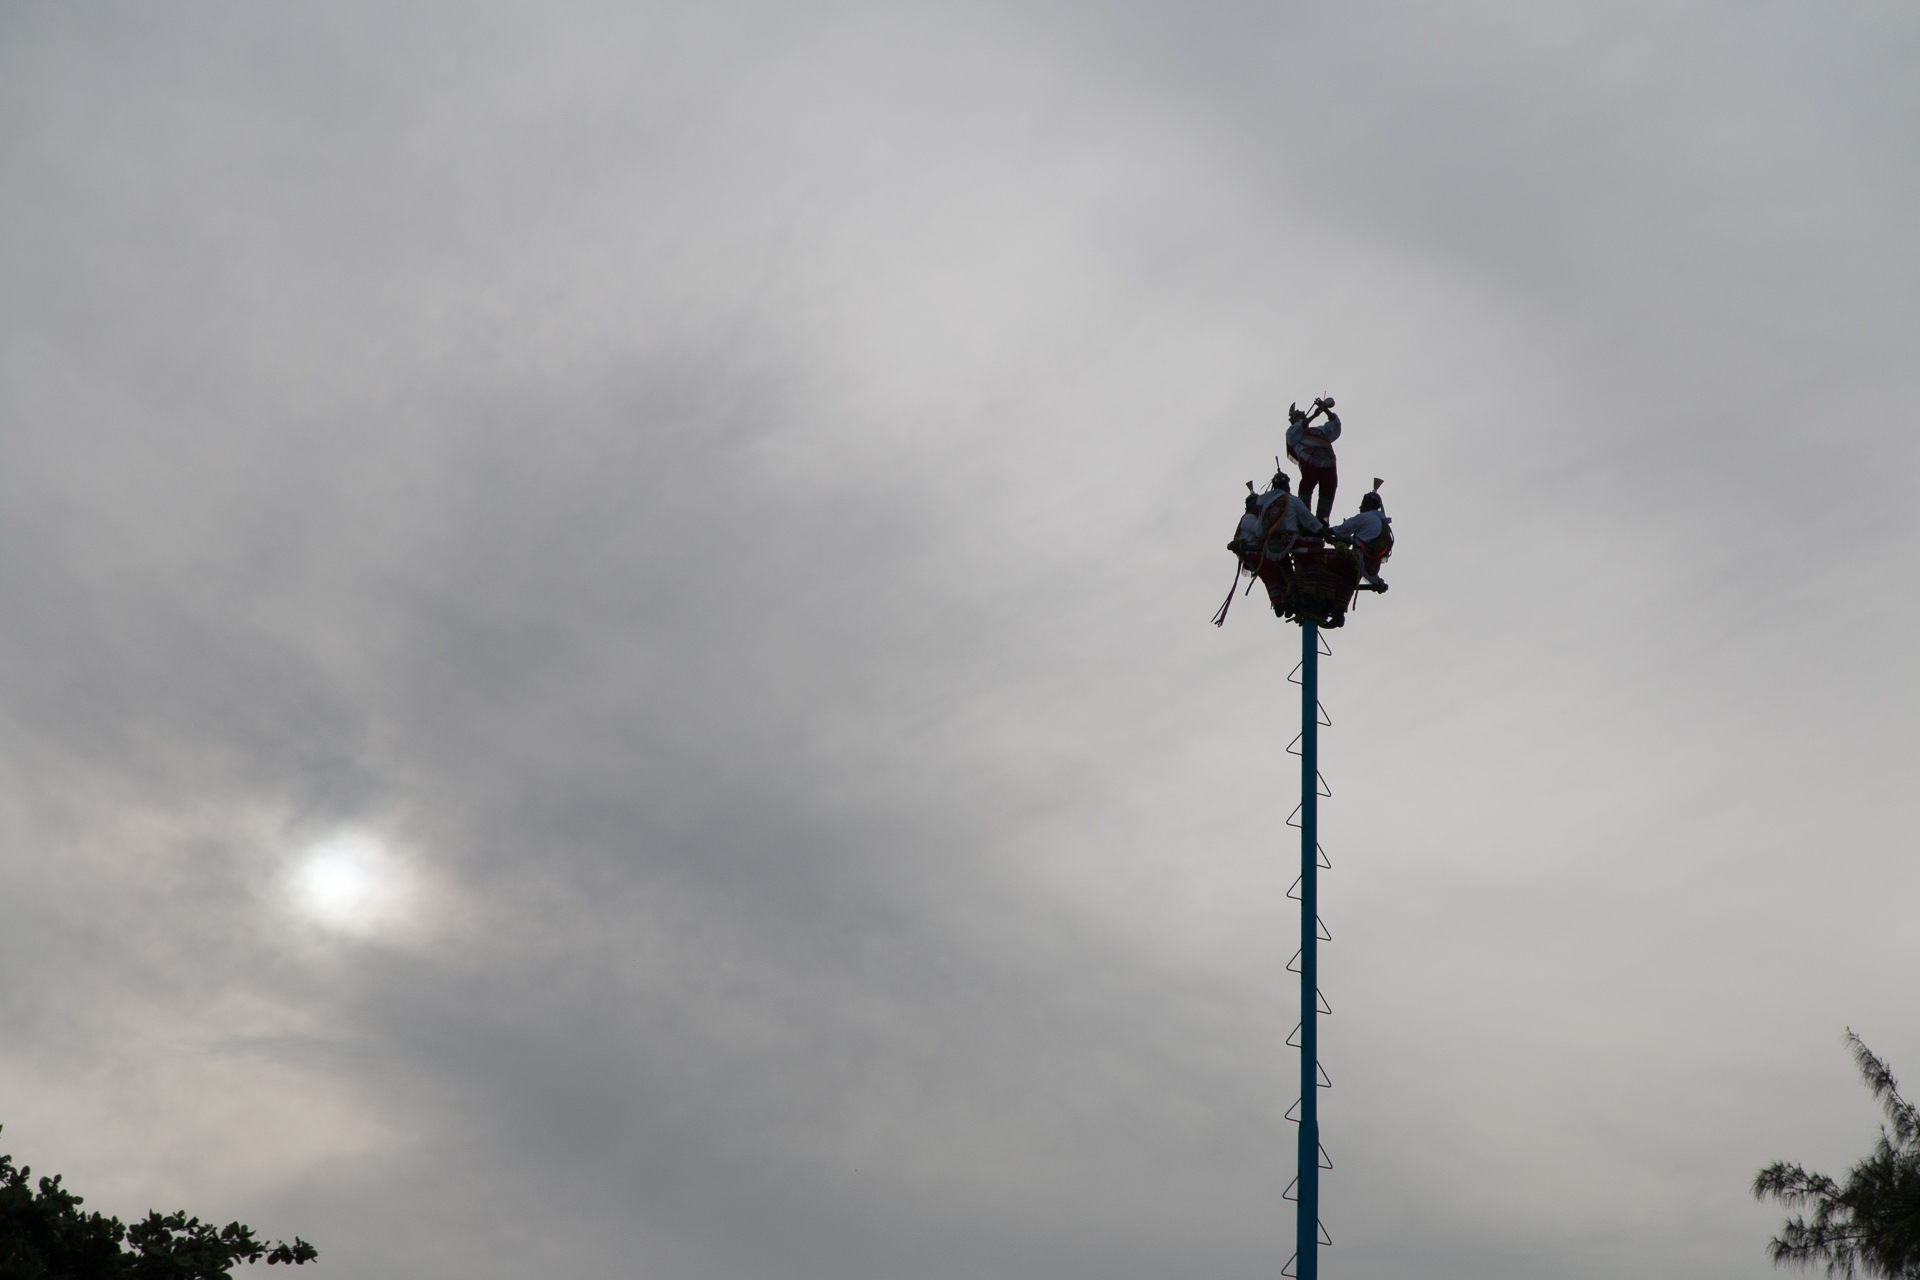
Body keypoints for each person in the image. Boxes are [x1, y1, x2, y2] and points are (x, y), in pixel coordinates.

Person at [1324, 479, 1392, 590]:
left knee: (1329, 565)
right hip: (1372, 564)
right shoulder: (1381, 521)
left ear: (1366, 505)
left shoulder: (1365, 517)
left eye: (1362, 505)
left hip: (1360, 559)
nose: (1360, 508)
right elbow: (1360, 540)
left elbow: (1342, 529)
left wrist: (1323, 530)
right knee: (1347, 582)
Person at [1286, 398, 1341, 523]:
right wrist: (1314, 415)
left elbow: (1335, 425)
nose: (1301, 418)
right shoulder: (1293, 431)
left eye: (1302, 416)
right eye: (1298, 416)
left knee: (1329, 487)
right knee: (1306, 487)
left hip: (1328, 461)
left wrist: (1325, 409)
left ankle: (1322, 518)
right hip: (1310, 460)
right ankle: (1305, 518)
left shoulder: (1319, 430)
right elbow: (1293, 436)